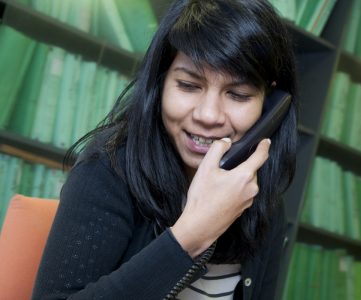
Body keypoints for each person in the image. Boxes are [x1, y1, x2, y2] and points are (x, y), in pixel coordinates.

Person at [32, 0, 298, 299]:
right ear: (160, 83)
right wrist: (191, 236)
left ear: (270, 106)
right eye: (188, 85)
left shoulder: (261, 199)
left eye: (238, 94)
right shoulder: (107, 170)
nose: (208, 115)